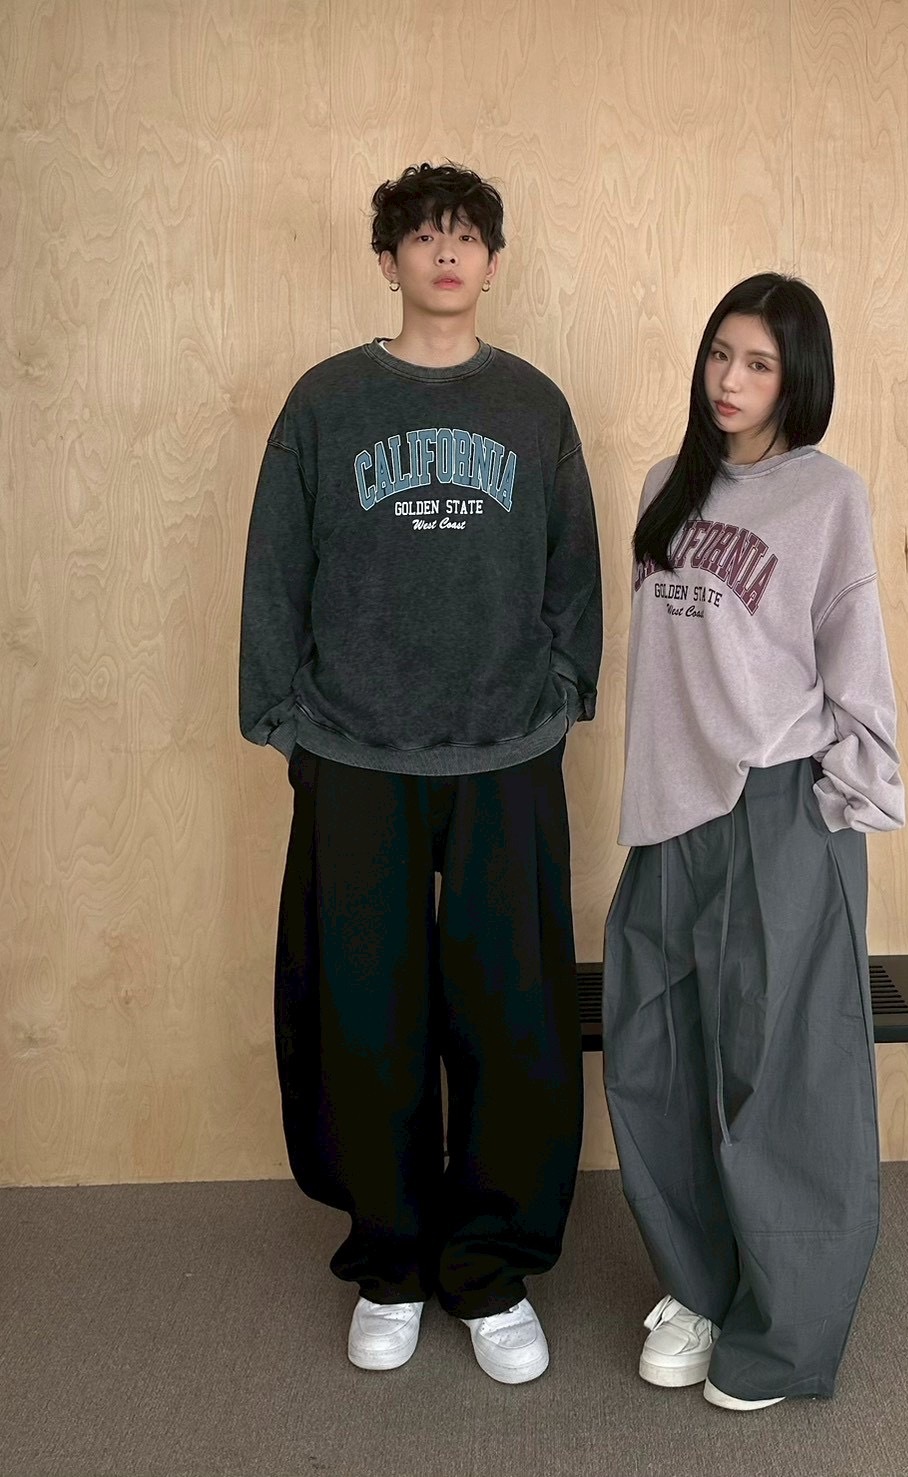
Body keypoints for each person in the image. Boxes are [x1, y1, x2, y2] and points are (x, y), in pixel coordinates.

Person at [239, 162, 602, 1385]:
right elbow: (275, 566)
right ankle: (390, 1259)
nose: (446, 254)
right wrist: (283, 716)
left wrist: (563, 695)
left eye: (466, 237)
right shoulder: (326, 401)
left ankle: (488, 1269)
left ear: (493, 261)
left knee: (511, 1009)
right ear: (387, 259)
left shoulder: (533, 406)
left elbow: (573, 572)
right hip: (355, 748)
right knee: (366, 1007)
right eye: (422, 236)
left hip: (505, 749)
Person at [603, 273, 904, 1411]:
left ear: (798, 378)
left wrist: (845, 792)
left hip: (780, 805)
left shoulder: (826, 495)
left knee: (783, 1076)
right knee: (657, 1056)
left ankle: (782, 1334)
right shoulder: (663, 488)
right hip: (669, 812)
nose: (729, 380)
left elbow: (853, 649)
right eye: (719, 354)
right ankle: (698, 1285)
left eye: (759, 363)